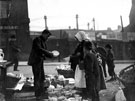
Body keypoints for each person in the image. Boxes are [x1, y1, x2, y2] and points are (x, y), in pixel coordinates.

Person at [28, 29, 54, 100]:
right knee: (37, 77)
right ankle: (38, 94)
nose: (47, 38)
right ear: (44, 34)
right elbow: (39, 49)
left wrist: (51, 55)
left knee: (41, 77)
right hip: (35, 61)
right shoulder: (37, 40)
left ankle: (41, 92)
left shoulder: (43, 41)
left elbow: (45, 51)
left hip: (40, 61)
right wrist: (49, 53)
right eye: (47, 36)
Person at [69, 31, 88, 98]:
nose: (77, 40)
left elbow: (83, 53)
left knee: (84, 79)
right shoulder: (80, 44)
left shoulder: (85, 43)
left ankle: (85, 93)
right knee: (81, 78)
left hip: (84, 64)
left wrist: (77, 55)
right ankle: (83, 91)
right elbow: (77, 53)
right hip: (80, 63)